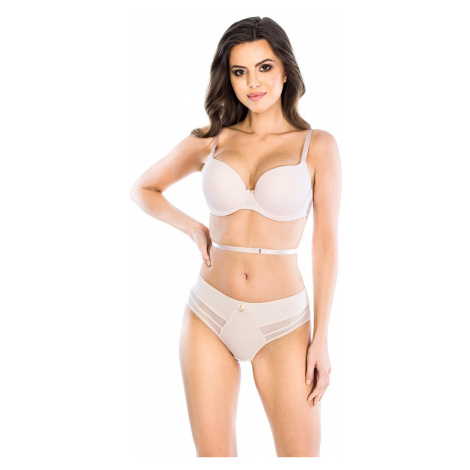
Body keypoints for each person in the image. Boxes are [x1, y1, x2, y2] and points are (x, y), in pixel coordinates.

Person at [130, 16, 341, 457]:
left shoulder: (317, 146)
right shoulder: (211, 140)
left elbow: (325, 245)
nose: (253, 83)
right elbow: (143, 189)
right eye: (239, 71)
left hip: (284, 323)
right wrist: (193, 227)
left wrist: (321, 337)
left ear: (286, 70)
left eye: (264, 67)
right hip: (208, 313)